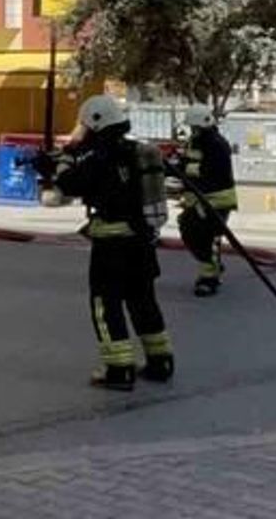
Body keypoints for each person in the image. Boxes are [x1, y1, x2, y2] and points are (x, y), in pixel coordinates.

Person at [34, 95, 174, 391]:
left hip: (112, 246)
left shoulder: (99, 157)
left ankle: (119, 369)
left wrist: (56, 163)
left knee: (105, 304)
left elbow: (69, 184)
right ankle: (160, 360)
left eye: (84, 124)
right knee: (143, 301)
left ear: (96, 122)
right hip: (142, 243)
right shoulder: (135, 151)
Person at [175, 105, 238, 298]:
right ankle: (212, 266)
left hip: (217, 201)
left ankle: (209, 278)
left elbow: (211, 173)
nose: (191, 130)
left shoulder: (217, 144)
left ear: (201, 125)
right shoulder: (195, 141)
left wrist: (183, 171)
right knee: (189, 229)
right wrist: (176, 165)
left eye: (193, 127)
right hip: (199, 200)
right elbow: (188, 163)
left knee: (207, 237)